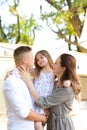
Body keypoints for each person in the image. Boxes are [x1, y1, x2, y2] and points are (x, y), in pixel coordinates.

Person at [18, 53, 82, 130]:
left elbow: (44, 103)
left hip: (61, 125)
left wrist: (29, 82)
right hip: (51, 123)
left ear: (63, 68)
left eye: (56, 63)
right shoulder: (55, 83)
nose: (53, 65)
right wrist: (12, 72)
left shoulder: (66, 89)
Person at [3, 46, 47, 130]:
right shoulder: (11, 81)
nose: (34, 60)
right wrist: (43, 118)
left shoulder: (27, 78)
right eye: (32, 58)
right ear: (25, 60)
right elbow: (23, 112)